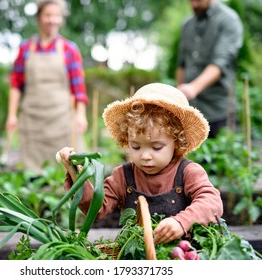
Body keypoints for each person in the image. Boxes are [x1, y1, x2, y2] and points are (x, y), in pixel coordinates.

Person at [57, 83, 223, 244]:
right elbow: (96, 209)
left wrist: (182, 222)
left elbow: (212, 202)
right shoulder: (123, 176)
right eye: (135, 146)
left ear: (177, 143)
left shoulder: (188, 172)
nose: (145, 156)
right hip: (136, 255)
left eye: (157, 147)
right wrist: (76, 174)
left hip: (181, 255)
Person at [6, 0, 88, 173]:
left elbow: (78, 88)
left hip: (62, 120)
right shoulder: (25, 49)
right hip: (32, 120)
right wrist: (12, 115)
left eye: (57, 16)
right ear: (38, 17)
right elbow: (16, 84)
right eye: (48, 15)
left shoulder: (69, 49)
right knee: (33, 173)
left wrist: (81, 115)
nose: (53, 20)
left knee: (68, 170)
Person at [175, 0, 243, 138]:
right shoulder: (187, 24)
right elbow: (182, 64)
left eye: (198, 0)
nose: (194, 4)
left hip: (218, 110)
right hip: (191, 112)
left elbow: (220, 63)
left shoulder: (228, 20)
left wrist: (193, 88)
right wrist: (179, 98)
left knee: (222, 155)